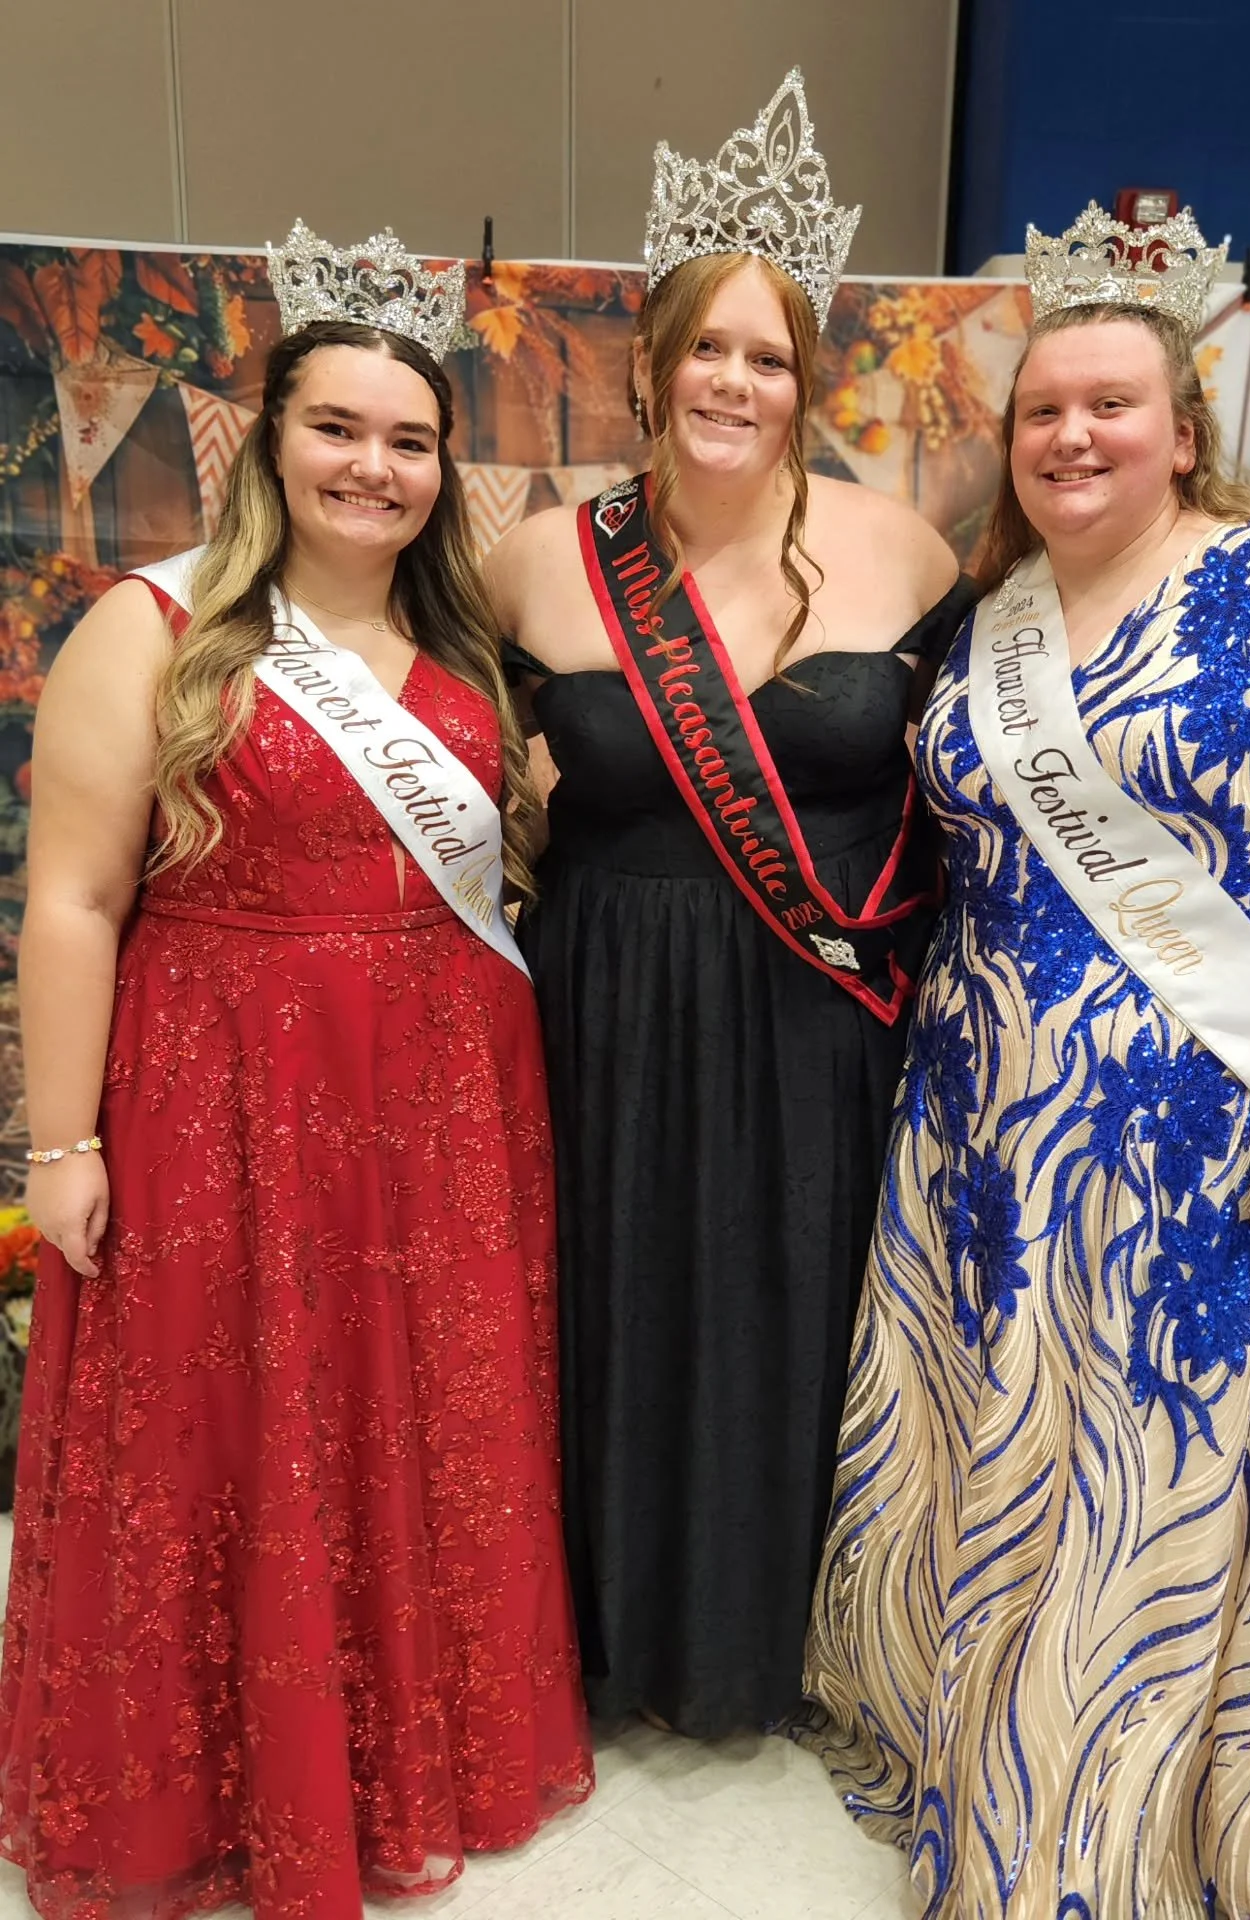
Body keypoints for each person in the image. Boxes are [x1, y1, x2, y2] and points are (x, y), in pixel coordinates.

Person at [802, 202, 1250, 1918]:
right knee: (1007, 1455)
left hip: (1198, 1143)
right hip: (983, 1120)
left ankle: (1102, 1839)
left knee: (1141, 1481)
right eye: (1043, 412)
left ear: (1183, 427)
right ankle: (986, 1768)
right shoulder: (999, 606)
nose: (1073, 435)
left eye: (1111, 406)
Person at [0, 222, 591, 1920]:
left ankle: (412, 1754)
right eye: (338, 428)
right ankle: (237, 1787)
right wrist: (60, 1146)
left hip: (439, 1096)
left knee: (413, 1421)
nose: (374, 466)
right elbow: (75, 896)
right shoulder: (158, 624)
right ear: (270, 440)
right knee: (228, 1419)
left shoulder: (468, 650)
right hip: (223, 1089)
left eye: (411, 441)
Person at [488, 70, 970, 1737]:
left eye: (770, 356)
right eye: (709, 347)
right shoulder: (539, 558)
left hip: (815, 1003)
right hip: (606, 1001)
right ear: (652, 360)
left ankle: (790, 1639)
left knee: (797, 1299)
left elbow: (977, 789)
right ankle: (611, 1640)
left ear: (806, 378)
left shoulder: (906, 550)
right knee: (614, 1305)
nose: (736, 382)